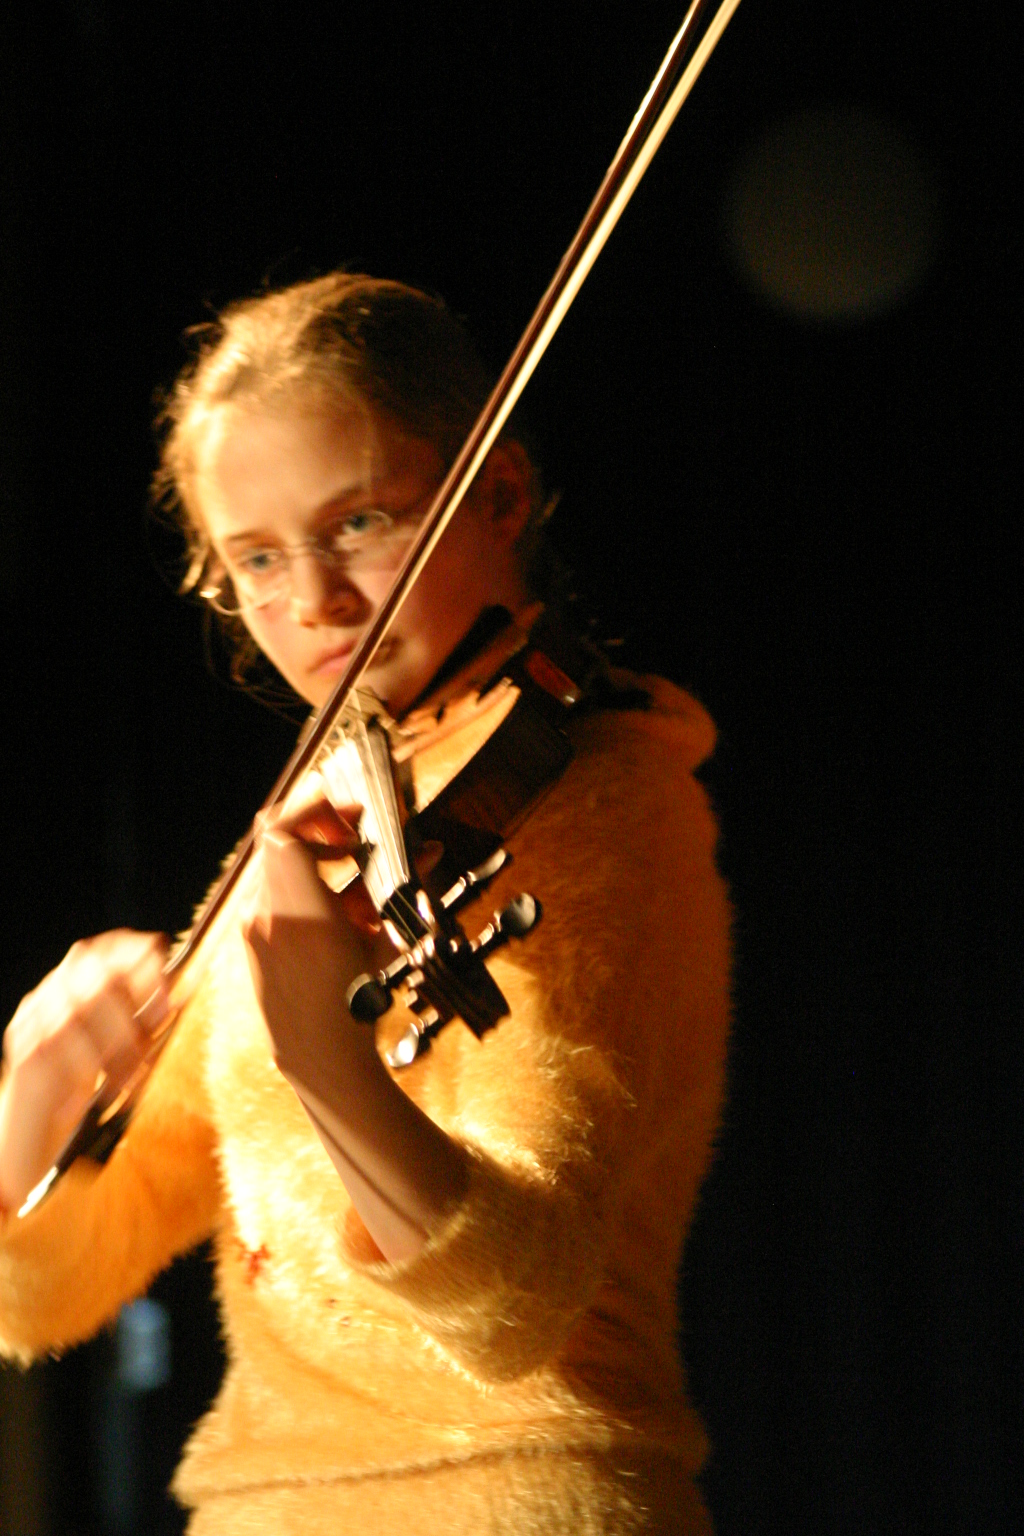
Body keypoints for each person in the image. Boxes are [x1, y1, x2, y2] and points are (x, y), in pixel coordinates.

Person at [0, 273, 731, 1534]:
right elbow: (46, 1297)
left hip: (518, 1498)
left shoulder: (605, 797)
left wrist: (326, 1055)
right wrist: (32, 1093)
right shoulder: (336, 809)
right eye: (256, 558)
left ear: (499, 493)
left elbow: (515, 1308)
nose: (316, 604)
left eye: (361, 523)